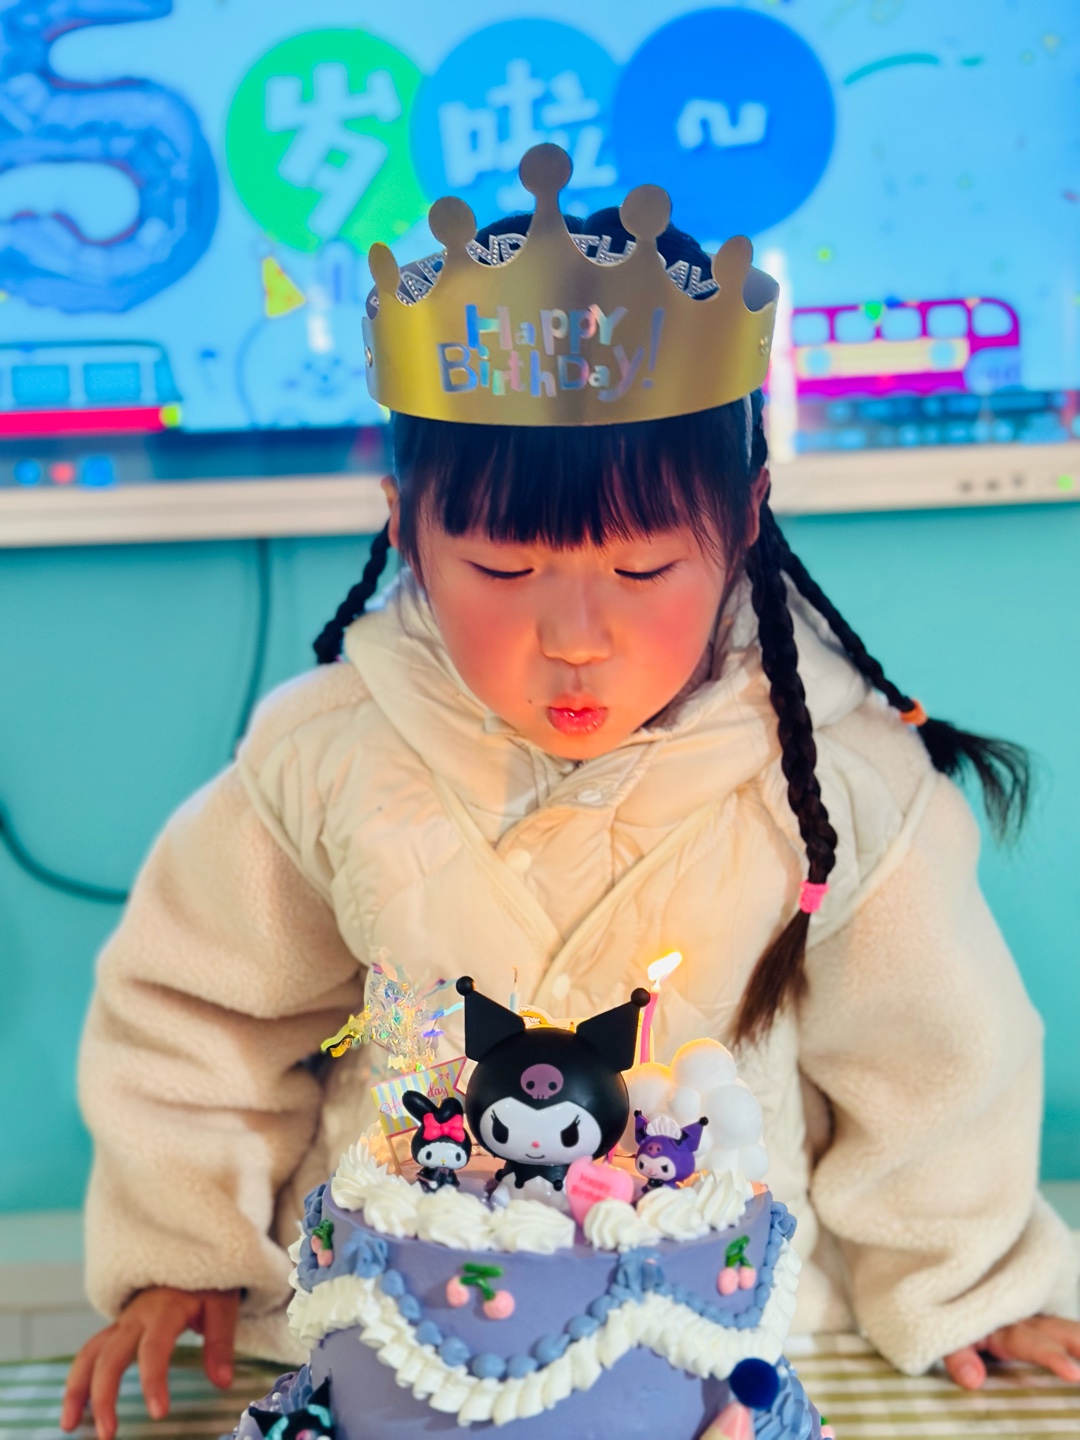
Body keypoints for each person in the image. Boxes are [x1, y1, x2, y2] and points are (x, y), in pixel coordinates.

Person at [62, 147, 1079, 1440]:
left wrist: (973, 1285)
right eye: (502, 568)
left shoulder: (838, 776)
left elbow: (933, 1060)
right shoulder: (325, 754)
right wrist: (186, 1250)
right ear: (404, 525)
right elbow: (198, 1016)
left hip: (727, 1355)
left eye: (643, 569)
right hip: (397, 1351)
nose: (576, 637)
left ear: (746, 518)